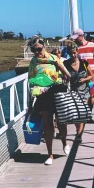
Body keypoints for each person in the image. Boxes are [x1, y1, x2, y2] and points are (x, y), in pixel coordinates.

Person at [27, 36, 71, 166]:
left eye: (39, 49)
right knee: (47, 124)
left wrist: (61, 72)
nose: (37, 53)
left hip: (57, 93)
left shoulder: (54, 59)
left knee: (61, 122)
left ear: (43, 47)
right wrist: (30, 103)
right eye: (33, 51)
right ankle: (50, 155)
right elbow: (31, 83)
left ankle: (65, 141)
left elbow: (67, 75)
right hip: (42, 96)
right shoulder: (33, 62)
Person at [64, 42, 94, 142]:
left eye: (75, 52)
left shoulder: (84, 63)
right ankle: (78, 130)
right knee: (75, 114)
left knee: (81, 112)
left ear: (77, 52)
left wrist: (85, 80)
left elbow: (91, 76)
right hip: (72, 91)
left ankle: (79, 135)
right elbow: (62, 76)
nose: (73, 55)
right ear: (68, 53)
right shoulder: (66, 64)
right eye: (71, 53)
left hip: (84, 90)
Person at [71, 28, 94, 117]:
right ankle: (85, 114)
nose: (75, 39)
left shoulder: (92, 45)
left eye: (76, 37)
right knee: (82, 96)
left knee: (92, 96)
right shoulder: (76, 48)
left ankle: (88, 113)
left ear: (81, 36)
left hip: (91, 76)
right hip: (80, 77)